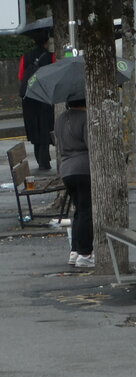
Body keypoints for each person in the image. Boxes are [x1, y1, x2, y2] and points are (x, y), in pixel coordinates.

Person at [55, 99, 93, 269]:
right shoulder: (85, 117)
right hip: (83, 168)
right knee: (86, 211)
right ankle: (85, 254)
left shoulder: (61, 119)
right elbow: (90, 144)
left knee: (79, 210)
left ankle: (75, 251)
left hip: (66, 170)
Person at [17, 32, 56, 172]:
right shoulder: (51, 57)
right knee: (45, 128)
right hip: (44, 97)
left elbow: (21, 76)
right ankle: (44, 162)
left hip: (29, 98)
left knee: (34, 130)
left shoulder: (25, 57)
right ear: (46, 43)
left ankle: (41, 160)